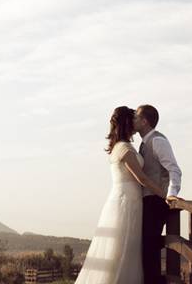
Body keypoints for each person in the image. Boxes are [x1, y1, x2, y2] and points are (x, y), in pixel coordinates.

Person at [75, 106, 165, 284]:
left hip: (126, 198)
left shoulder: (121, 146)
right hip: (128, 201)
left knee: (123, 249)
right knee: (123, 248)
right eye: (132, 118)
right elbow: (142, 179)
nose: (135, 121)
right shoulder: (124, 148)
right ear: (127, 123)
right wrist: (165, 194)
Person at [134, 104, 182, 284]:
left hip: (156, 201)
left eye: (136, 117)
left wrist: (170, 194)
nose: (133, 121)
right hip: (146, 200)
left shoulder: (158, 141)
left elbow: (174, 170)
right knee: (146, 248)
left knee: (150, 248)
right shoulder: (144, 143)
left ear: (145, 121)